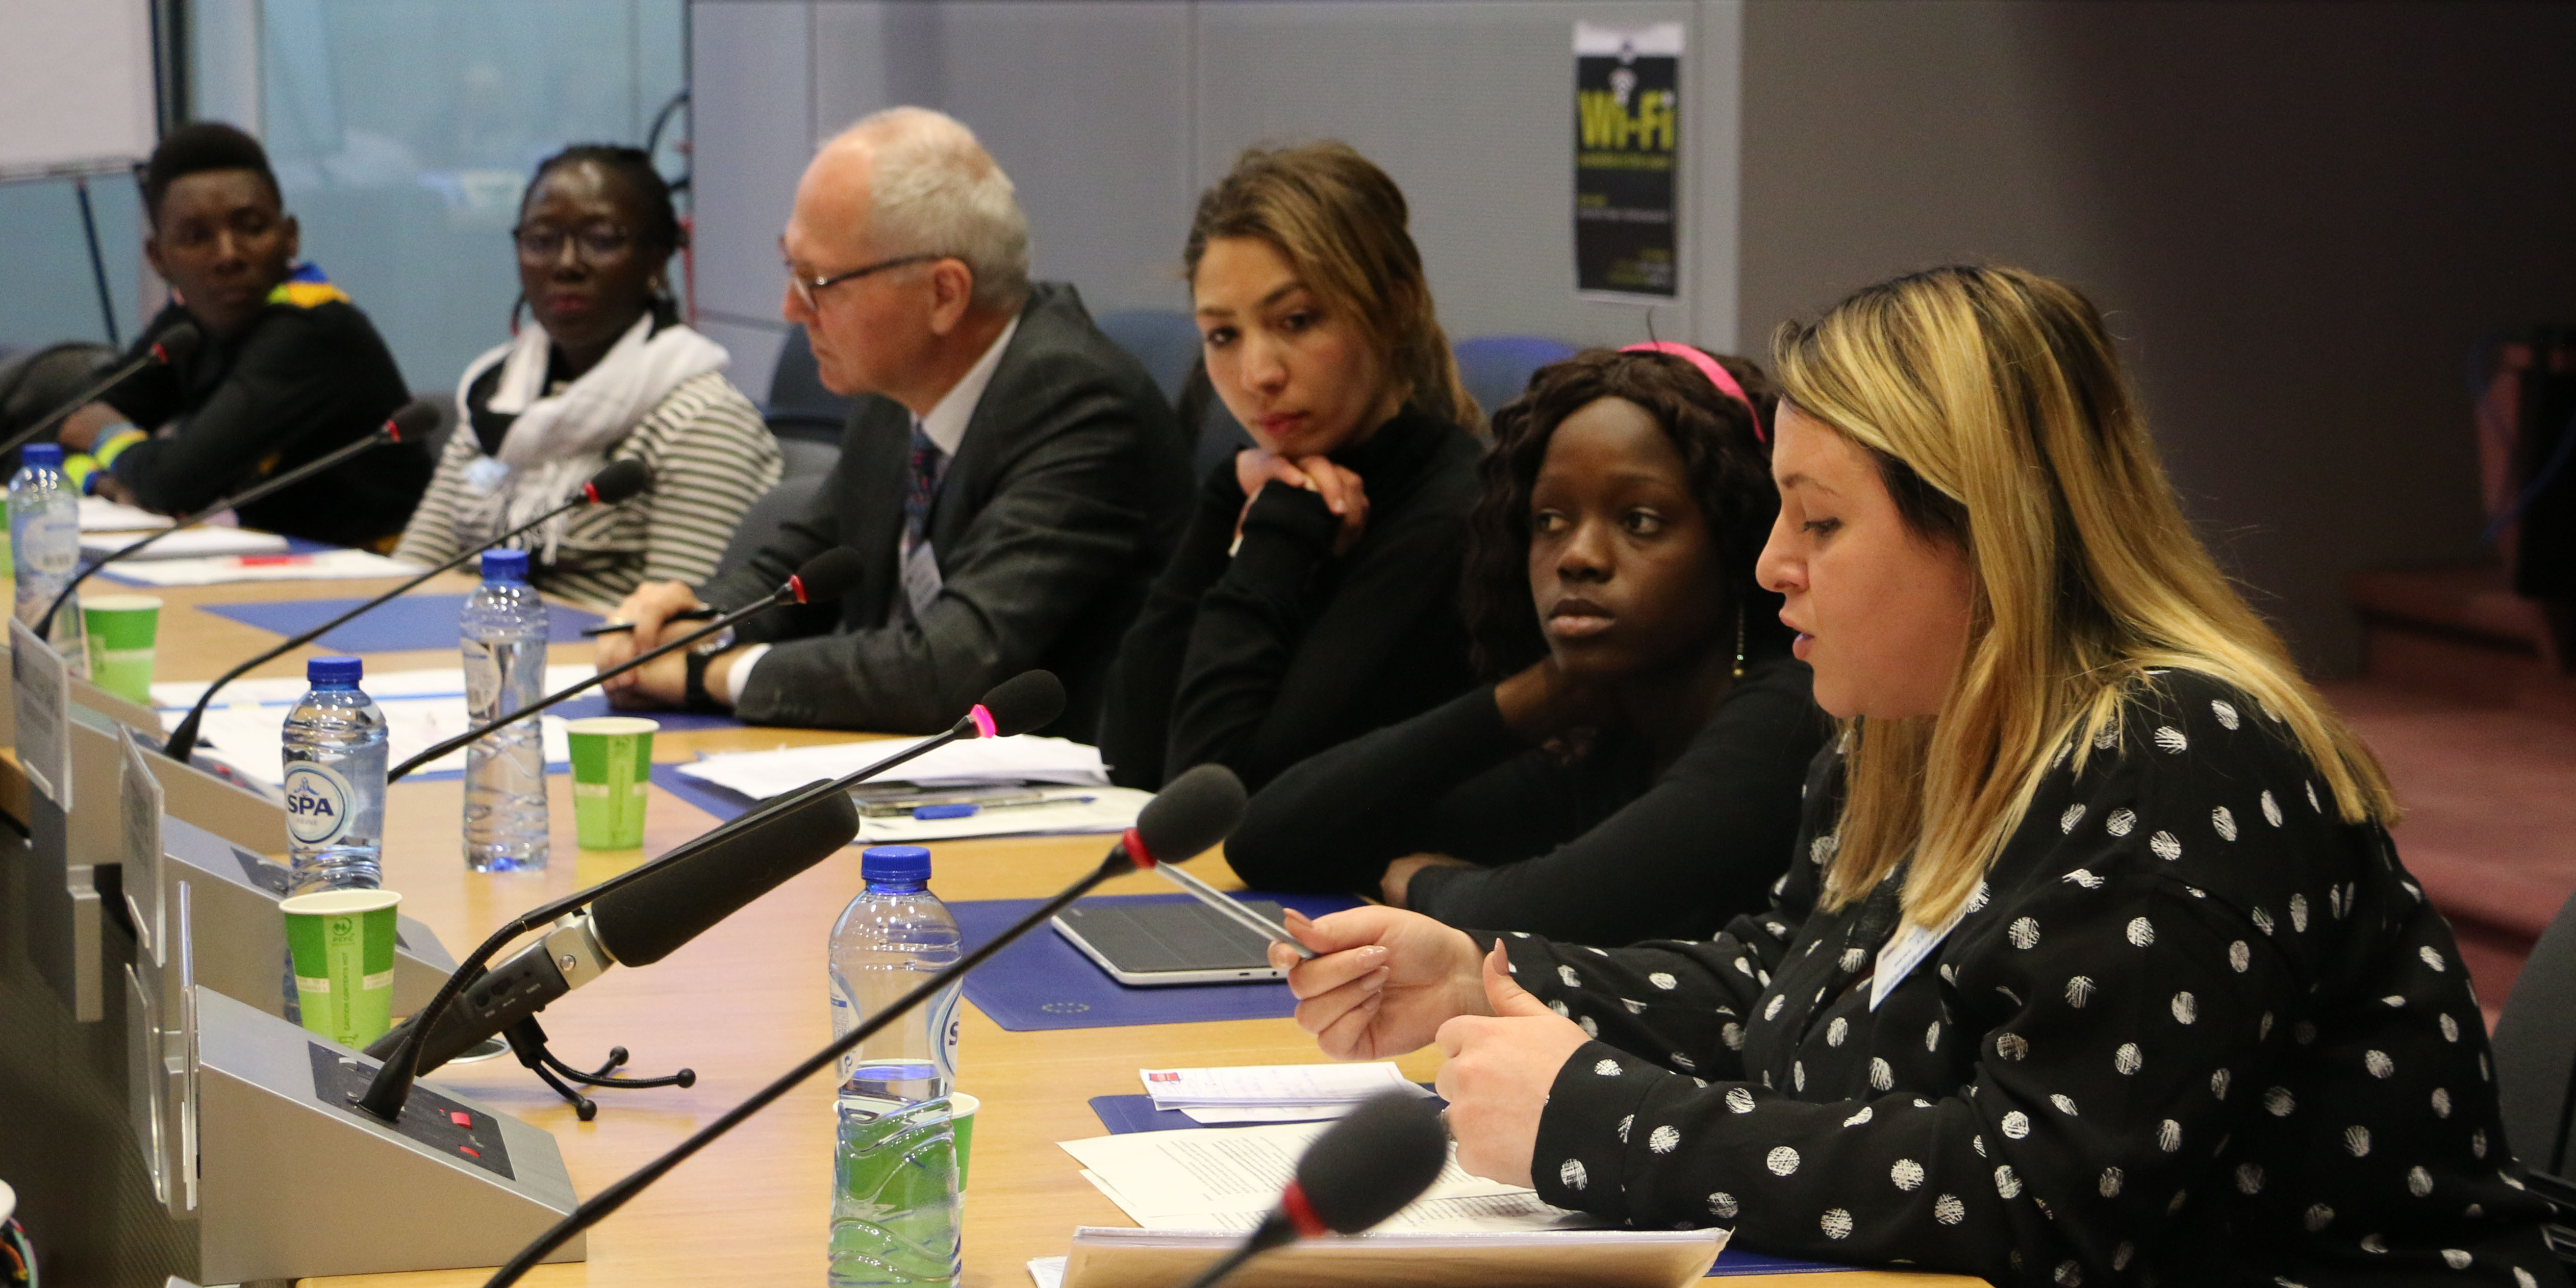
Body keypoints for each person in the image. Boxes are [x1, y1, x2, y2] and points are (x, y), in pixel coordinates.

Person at [1267, 266, 2567, 1285]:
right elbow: (1782, 988)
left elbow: (2046, 1194)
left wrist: (1602, 1122)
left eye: (1821, 520)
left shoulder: (2180, 756)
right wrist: (1493, 974)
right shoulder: (1905, 731)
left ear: (1985, 529)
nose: (1772, 565)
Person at [595, 108, 1189, 737]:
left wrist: (712, 673)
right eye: (791, 270)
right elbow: (792, 577)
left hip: (1070, 783)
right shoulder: (901, 384)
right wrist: (694, 624)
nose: (791, 307)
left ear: (944, 294)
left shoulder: (1075, 403)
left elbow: (949, 668)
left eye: (818, 281)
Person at [1225, 345, 1829, 944]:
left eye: (1639, 521)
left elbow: (1549, 910)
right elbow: (1265, 841)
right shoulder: (1604, 722)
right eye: (1550, 521)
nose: (1577, 557)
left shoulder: (1790, 713)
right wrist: (1525, 699)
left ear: (1735, 541)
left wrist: (1423, 883)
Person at [1098, 142, 1482, 791]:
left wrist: (1275, 535)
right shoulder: (1267, 485)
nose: (1258, 375)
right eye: (1223, 335)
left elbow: (1218, 788)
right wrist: (1228, 503)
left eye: (1297, 321)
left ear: (1397, 308)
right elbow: (1128, 754)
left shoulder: (1452, 515)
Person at [392, 145, 780, 610]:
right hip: (465, 641)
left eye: (601, 240)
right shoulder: (499, 396)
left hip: (604, 652)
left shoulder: (704, 419)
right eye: (541, 240)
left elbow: (672, 622)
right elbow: (408, 577)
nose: (566, 264)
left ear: (657, 260)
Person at [55, 122, 428, 548]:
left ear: (290, 237)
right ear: (159, 258)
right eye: (198, 237)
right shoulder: (189, 324)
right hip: (279, 561)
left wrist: (108, 439)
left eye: (251, 227)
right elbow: (64, 429)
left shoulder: (313, 328)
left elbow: (174, 483)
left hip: (380, 567)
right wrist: (102, 481)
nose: (228, 255)